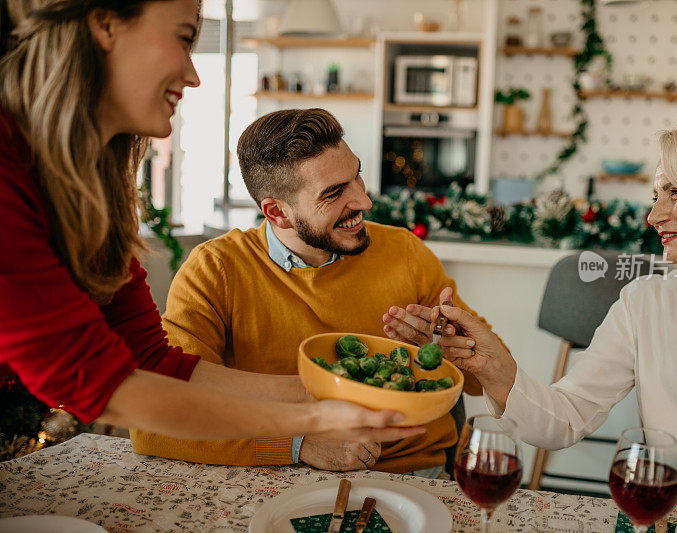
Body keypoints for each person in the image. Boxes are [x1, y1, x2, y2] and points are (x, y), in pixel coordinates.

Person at [0, 0, 423, 445]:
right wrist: (314, 424)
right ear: (104, 24)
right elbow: (102, 385)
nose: (194, 74)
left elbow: (154, 362)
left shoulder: (89, 192)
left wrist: (330, 395)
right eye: (184, 38)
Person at [399, 115, 677, 514]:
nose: (654, 217)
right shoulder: (644, 303)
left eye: (676, 192)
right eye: (655, 197)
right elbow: (565, 418)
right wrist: (492, 365)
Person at [130, 108, 496, 476]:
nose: (364, 202)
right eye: (334, 193)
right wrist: (296, 445)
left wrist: (455, 350)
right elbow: (155, 427)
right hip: (274, 477)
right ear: (278, 213)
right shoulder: (216, 270)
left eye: (357, 177)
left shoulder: (405, 251)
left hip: (414, 477)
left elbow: (487, 384)